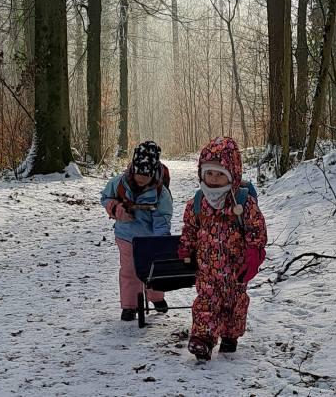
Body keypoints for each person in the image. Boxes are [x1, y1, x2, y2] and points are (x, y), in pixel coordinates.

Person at [178, 137, 268, 361]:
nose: (214, 179)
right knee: (206, 301)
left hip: (236, 268)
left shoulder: (243, 203)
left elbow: (256, 232)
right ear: (201, 174)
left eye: (220, 174)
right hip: (207, 268)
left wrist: (253, 256)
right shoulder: (197, 202)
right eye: (209, 173)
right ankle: (203, 339)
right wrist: (186, 248)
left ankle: (230, 335)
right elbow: (190, 228)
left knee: (234, 305)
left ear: (232, 174)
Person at [100, 141, 174, 322]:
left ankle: (156, 297)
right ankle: (129, 306)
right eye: (138, 172)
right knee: (129, 271)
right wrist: (115, 208)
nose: (141, 177)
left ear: (153, 172)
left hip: (149, 239)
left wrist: (160, 241)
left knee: (153, 270)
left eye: (146, 174)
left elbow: (162, 218)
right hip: (125, 236)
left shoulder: (160, 193)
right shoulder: (119, 183)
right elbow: (105, 198)